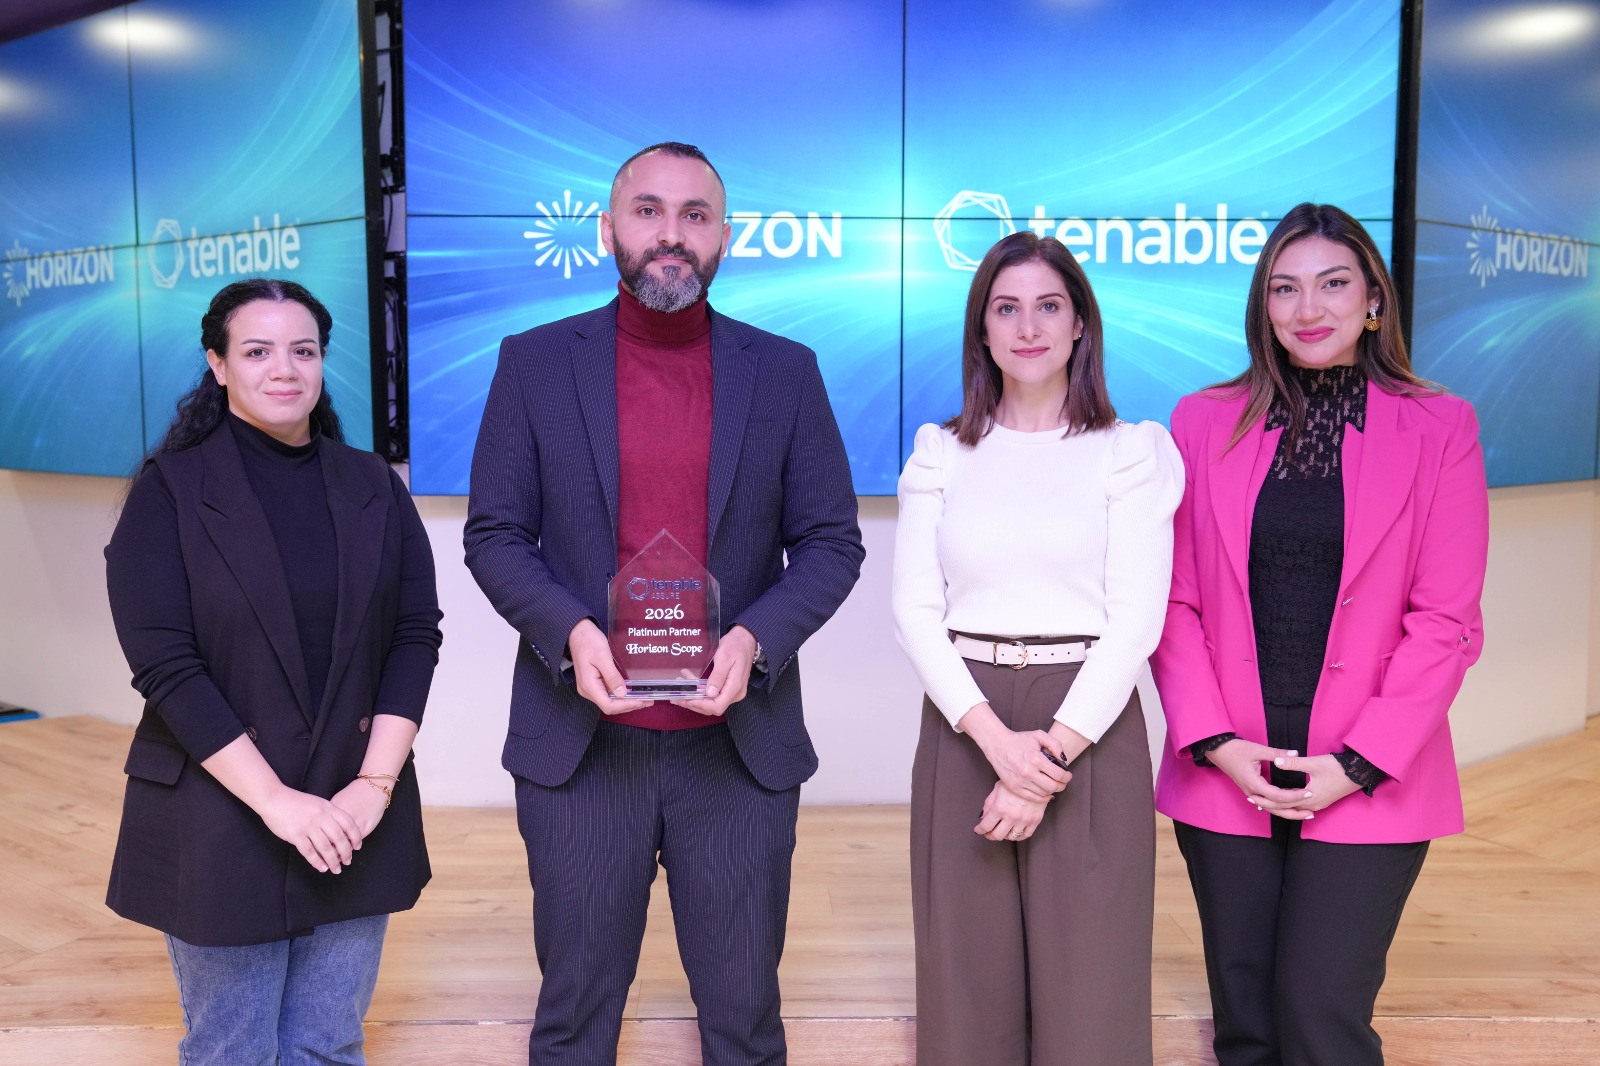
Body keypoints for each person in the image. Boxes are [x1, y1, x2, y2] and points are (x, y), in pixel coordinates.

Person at [464, 141, 863, 1065]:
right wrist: (570, 631)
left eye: (695, 215)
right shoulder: (533, 365)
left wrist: (756, 638)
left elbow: (832, 543)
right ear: (609, 228)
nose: (671, 234)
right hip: (582, 747)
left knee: (744, 1025)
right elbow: (494, 534)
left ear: (726, 236)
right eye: (648, 211)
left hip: (736, 750)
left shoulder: (785, 372)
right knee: (573, 1022)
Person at [1150, 203, 1490, 1066]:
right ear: (1262, 306)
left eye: (1333, 284)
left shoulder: (1441, 426)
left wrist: (1360, 763)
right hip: (1230, 766)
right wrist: (1215, 743)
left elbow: (1446, 621)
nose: (1309, 309)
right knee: (1247, 1028)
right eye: (1285, 289)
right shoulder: (1200, 420)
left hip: (1370, 771)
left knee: (1320, 1019)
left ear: (1373, 298)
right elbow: (1171, 603)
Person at [104, 278, 443, 1066]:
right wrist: (277, 803)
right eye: (257, 351)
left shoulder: (373, 486)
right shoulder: (169, 493)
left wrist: (373, 788)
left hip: (352, 809)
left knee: (329, 1045)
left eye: (304, 350)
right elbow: (167, 667)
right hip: (222, 805)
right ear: (218, 365)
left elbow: (412, 637)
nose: (284, 368)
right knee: (235, 1050)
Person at [892, 230, 1183, 1066]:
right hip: (966, 721)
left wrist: (1045, 761)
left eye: (1049, 306)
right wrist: (994, 743)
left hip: (1086, 721)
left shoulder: (1131, 452)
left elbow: (1136, 621)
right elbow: (915, 612)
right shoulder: (941, 451)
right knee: (965, 992)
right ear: (981, 329)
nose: (1028, 327)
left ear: (1080, 323)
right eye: (1006, 308)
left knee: (1092, 998)